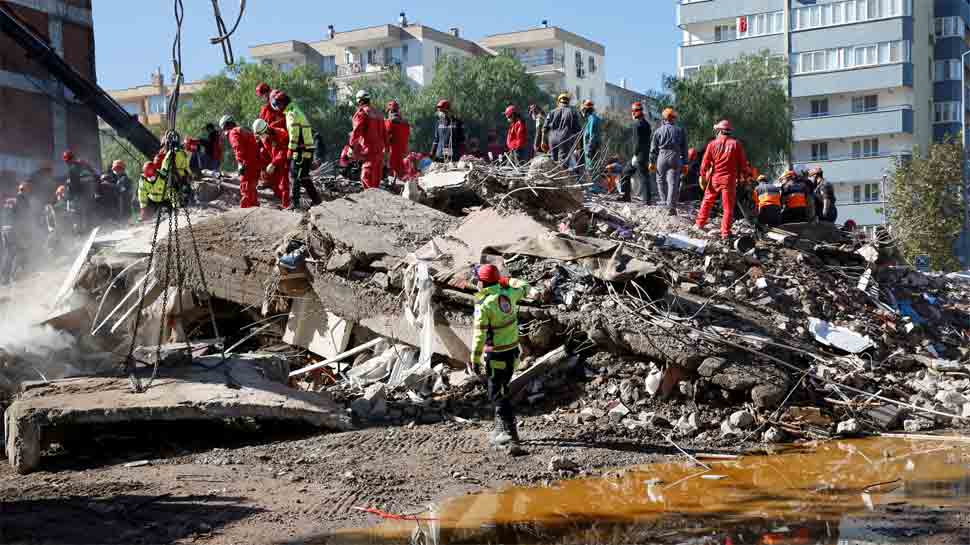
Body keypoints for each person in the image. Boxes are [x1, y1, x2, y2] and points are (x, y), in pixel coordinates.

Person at [470, 264, 530, 446]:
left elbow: (479, 334)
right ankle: (499, 429)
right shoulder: (510, 293)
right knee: (502, 389)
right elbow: (525, 286)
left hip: (496, 356)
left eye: (477, 279)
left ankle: (511, 435)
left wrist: (474, 358)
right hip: (513, 353)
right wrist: (508, 280)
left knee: (497, 394)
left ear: (482, 282)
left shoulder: (484, 303)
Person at [696, 119, 750, 240]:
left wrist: (702, 175)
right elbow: (743, 165)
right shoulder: (736, 144)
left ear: (720, 131)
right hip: (729, 180)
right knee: (727, 208)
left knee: (707, 201)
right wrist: (745, 177)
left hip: (715, 179)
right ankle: (725, 233)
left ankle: (699, 224)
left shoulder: (712, 144)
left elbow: (704, 163)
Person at [272, 90, 321, 210]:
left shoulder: (291, 113)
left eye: (277, 104)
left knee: (295, 174)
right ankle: (317, 200)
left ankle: (295, 203)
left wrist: (290, 150)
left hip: (301, 149)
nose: (277, 107)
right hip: (306, 148)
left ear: (282, 103)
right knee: (303, 176)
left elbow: (294, 134)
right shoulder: (295, 110)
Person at [649, 107, 689, 215]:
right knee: (672, 182)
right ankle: (671, 207)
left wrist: (651, 162)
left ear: (663, 118)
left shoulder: (658, 131)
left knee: (660, 181)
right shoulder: (680, 130)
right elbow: (685, 148)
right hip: (675, 157)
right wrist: (685, 163)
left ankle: (664, 203)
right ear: (674, 119)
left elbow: (653, 149)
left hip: (661, 156)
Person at [220, 115, 261, 208]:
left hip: (247, 163)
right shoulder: (243, 129)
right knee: (252, 189)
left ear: (226, 125)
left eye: (224, 128)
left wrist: (240, 163)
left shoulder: (233, 132)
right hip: (256, 163)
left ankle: (245, 210)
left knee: (246, 188)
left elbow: (238, 148)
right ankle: (255, 209)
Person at [349, 90, 386, 190]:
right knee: (375, 183)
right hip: (379, 153)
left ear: (360, 102)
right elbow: (385, 134)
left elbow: (356, 131)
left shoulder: (362, 113)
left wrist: (351, 147)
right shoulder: (379, 114)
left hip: (369, 152)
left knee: (366, 179)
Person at [618, 102, 652, 203]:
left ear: (640, 112)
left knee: (627, 174)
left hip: (638, 155)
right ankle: (646, 200)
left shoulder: (637, 125)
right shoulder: (646, 124)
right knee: (643, 176)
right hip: (645, 154)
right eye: (632, 111)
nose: (632, 113)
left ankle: (626, 197)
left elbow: (637, 142)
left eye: (634, 111)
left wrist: (635, 155)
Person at [253, 118, 291, 209]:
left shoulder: (280, 134)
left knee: (283, 183)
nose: (260, 137)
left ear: (266, 130)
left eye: (260, 134)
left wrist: (273, 163)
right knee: (273, 181)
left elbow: (284, 151)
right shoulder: (264, 137)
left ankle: (287, 205)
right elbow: (265, 150)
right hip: (274, 160)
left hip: (285, 160)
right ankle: (280, 199)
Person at [62, 150, 98, 232]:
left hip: (80, 195)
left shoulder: (72, 169)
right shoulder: (85, 164)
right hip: (90, 193)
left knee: (78, 214)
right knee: (89, 212)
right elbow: (95, 175)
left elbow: (73, 186)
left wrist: (68, 197)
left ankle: (81, 233)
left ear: (66, 161)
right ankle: (91, 229)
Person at [543, 93, 582, 165]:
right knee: (563, 163)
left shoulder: (551, 112)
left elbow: (545, 128)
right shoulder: (573, 112)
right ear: (568, 102)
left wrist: (543, 141)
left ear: (558, 102)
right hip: (565, 139)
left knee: (553, 162)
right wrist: (578, 146)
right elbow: (577, 131)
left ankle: (553, 175)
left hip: (552, 140)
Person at [385, 100, 410, 180]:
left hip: (393, 151)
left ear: (390, 110)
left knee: (391, 172)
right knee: (401, 171)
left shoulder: (389, 122)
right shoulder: (405, 123)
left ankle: (393, 186)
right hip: (404, 151)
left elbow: (386, 136)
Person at [579, 100, 602, 176]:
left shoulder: (592, 119)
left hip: (592, 152)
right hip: (591, 152)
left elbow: (593, 136)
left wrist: (589, 150)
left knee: (591, 172)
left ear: (585, 110)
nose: (582, 113)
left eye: (582, 110)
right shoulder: (591, 119)